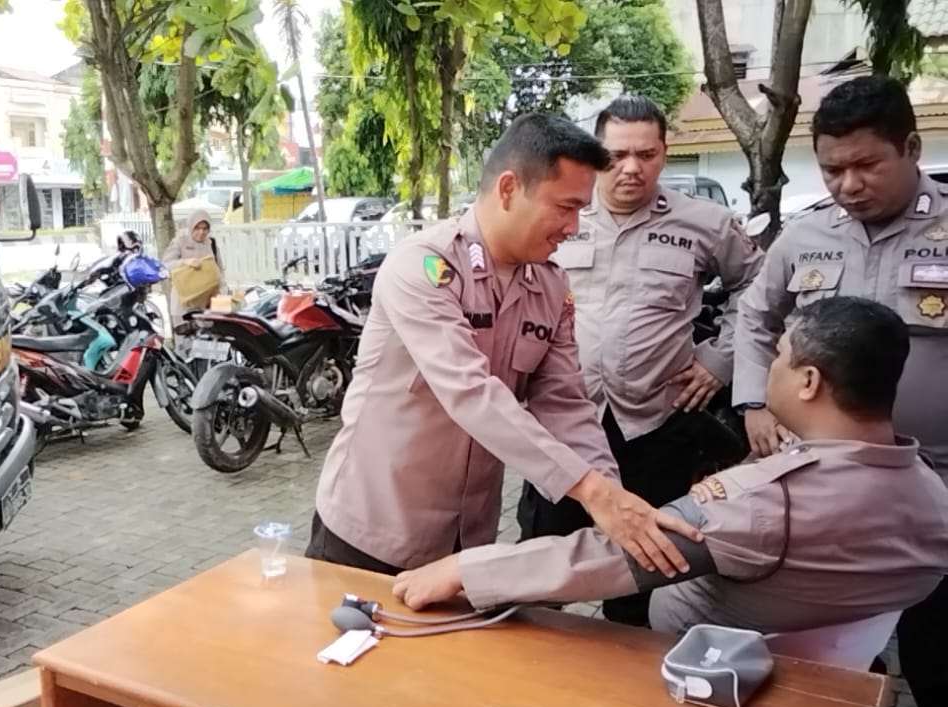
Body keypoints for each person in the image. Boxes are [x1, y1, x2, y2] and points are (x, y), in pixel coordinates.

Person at [392, 297, 948, 641]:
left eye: (778, 354)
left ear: (809, 382)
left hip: (703, 660)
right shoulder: (931, 494)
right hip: (844, 660)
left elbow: (605, 558)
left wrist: (465, 570)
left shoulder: (760, 503)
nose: (767, 366)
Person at [305, 113, 700, 579]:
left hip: (466, 541)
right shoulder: (424, 267)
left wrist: (612, 497)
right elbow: (470, 393)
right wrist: (591, 491)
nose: (574, 226)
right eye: (565, 207)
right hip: (372, 531)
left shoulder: (550, 286)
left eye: (581, 209)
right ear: (509, 188)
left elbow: (564, 403)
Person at [731, 74, 948, 707]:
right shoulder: (806, 235)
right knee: (829, 637)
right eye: (831, 170)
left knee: (936, 636)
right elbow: (754, 317)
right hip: (824, 484)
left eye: (866, 165)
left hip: (936, 477)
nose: (848, 184)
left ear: (910, 148)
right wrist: (754, 402)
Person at [515, 97, 765, 627]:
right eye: (617, 154)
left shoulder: (705, 223)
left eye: (646, 154)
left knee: (644, 571)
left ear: (664, 153)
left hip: (655, 425)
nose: (632, 167)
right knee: (538, 565)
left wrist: (719, 360)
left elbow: (757, 286)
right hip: (564, 424)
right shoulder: (563, 214)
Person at [161, 209, 227, 331]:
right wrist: (185, 262)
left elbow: (220, 272)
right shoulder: (179, 243)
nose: (201, 232)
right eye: (197, 228)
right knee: (185, 339)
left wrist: (222, 292)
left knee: (207, 338)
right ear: (191, 227)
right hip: (182, 305)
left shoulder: (212, 245)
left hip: (205, 305)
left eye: (205, 229)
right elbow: (165, 266)